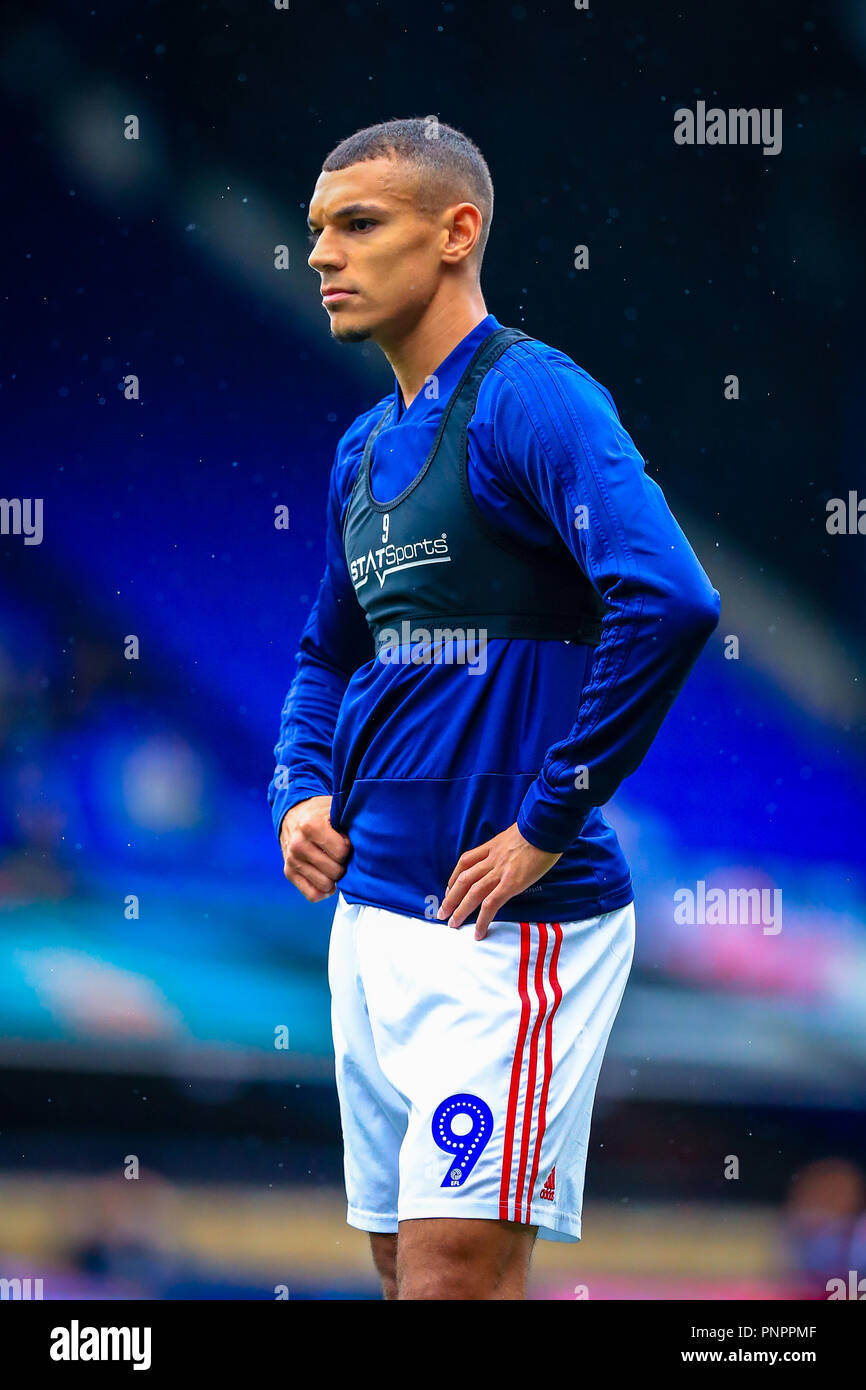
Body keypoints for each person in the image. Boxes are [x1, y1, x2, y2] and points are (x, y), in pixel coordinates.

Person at [269, 117, 720, 1300]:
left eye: (358, 225)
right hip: (367, 924)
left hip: (504, 934)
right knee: (400, 1263)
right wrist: (298, 790)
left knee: (449, 1276)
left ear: (456, 231)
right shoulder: (362, 449)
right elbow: (326, 651)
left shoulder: (530, 397)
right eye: (316, 230)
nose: (322, 253)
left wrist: (544, 824)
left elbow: (668, 601)